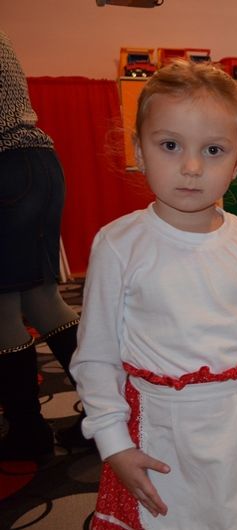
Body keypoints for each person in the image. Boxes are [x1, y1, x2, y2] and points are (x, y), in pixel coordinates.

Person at [69, 60, 237, 530]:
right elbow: (96, 357)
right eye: (170, 145)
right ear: (139, 150)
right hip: (158, 431)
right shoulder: (118, 245)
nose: (192, 167)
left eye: (213, 149)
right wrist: (114, 444)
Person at [0, 30, 82, 460]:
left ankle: (27, 432)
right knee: (42, 299)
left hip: (6, 166)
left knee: (1, 310)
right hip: (40, 162)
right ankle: (105, 414)